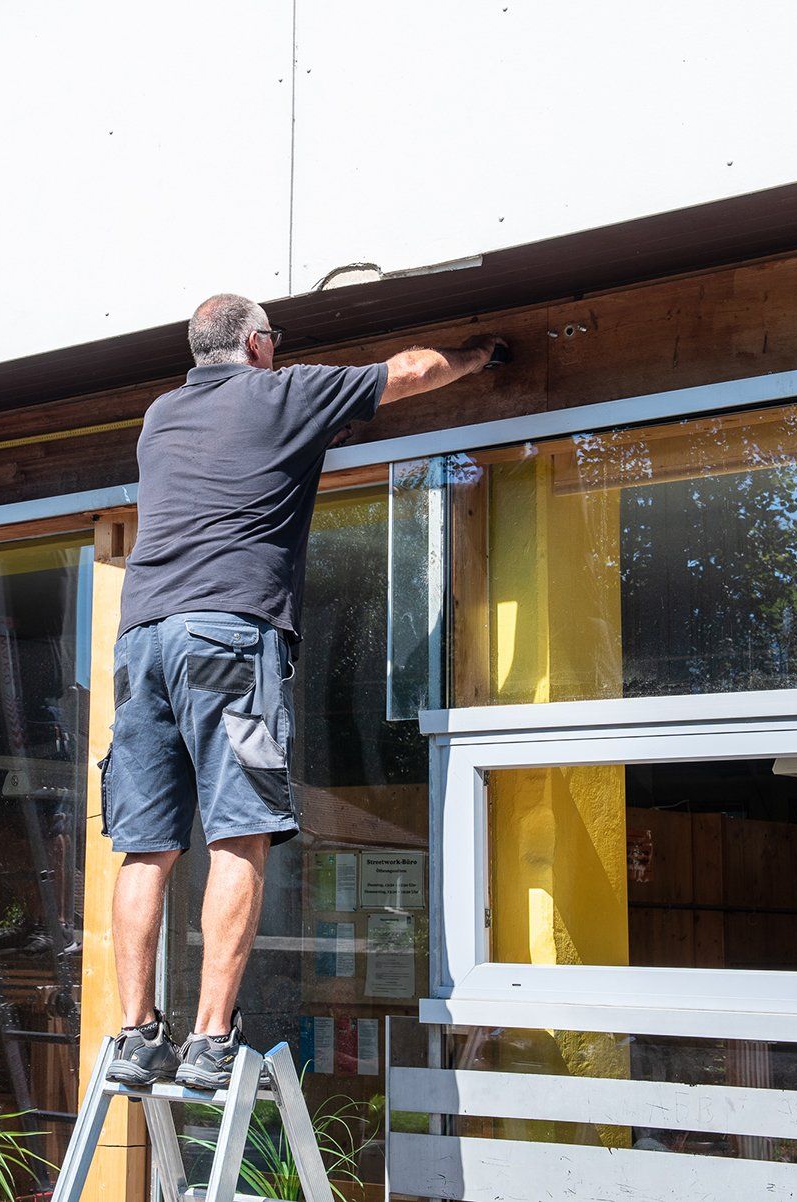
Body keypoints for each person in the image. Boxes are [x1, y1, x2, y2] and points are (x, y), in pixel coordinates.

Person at [104, 293, 505, 1088]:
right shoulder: (280, 392)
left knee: (146, 844)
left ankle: (135, 1033)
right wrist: (481, 354)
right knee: (239, 833)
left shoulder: (158, 417)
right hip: (224, 631)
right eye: (274, 343)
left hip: (140, 638)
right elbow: (412, 371)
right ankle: (212, 1039)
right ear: (257, 344)